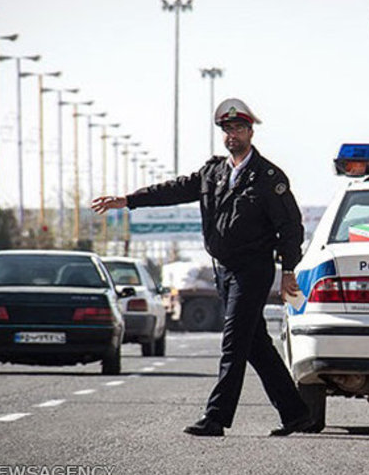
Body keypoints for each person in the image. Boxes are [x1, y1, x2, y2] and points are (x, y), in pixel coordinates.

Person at [91, 98, 312, 437]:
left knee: (234, 343)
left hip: (252, 270)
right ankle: (297, 414)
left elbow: (291, 227)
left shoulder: (268, 177)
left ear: (251, 131)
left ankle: (216, 418)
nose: (232, 135)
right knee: (256, 346)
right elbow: (174, 190)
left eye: (238, 128)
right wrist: (129, 200)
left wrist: (288, 271)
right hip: (223, 270)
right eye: (227, 130)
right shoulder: (214, 172)